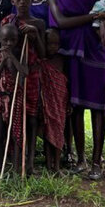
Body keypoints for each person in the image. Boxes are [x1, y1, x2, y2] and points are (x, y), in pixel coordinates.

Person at [49, 0, 105, 180]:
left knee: (98, 106)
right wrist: (96, 17)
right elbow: (61, 22)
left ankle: (97, 162)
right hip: (72, 52)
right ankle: (80, 159)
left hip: (98, 50)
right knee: (76, 106)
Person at [2, 0, 46, 174]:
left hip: (32, 73)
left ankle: (29, 161)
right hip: (12, 74)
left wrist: (35, 37)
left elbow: (44, 54)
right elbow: (3, 47)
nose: (22, 2)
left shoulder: (38, 23)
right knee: (13, 115)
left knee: (32, 117)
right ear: (12, 1)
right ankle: (14, 159)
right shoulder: (7, 21)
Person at [0, 24, 27, 171]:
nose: (8, 43)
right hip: (1, 98)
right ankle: (0, 165)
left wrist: (12, 58)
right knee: (0, 133)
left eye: (12, 40)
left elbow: (24, 73)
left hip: (15, 98)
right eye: (5, 40)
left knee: (15, 133)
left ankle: (16, 167)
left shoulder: (19, 54)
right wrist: (2, 63)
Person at [39, 28, 68, 172]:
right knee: (47, 132)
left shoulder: (62, 60)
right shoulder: (41, 62)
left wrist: (69, 103)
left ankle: (56, 165)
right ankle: (48, 163)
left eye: (56, 44)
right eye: (49, 43)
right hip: (46, 103)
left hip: (60, 103)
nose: (53, 47)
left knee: (58, 133)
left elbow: (67, 83)